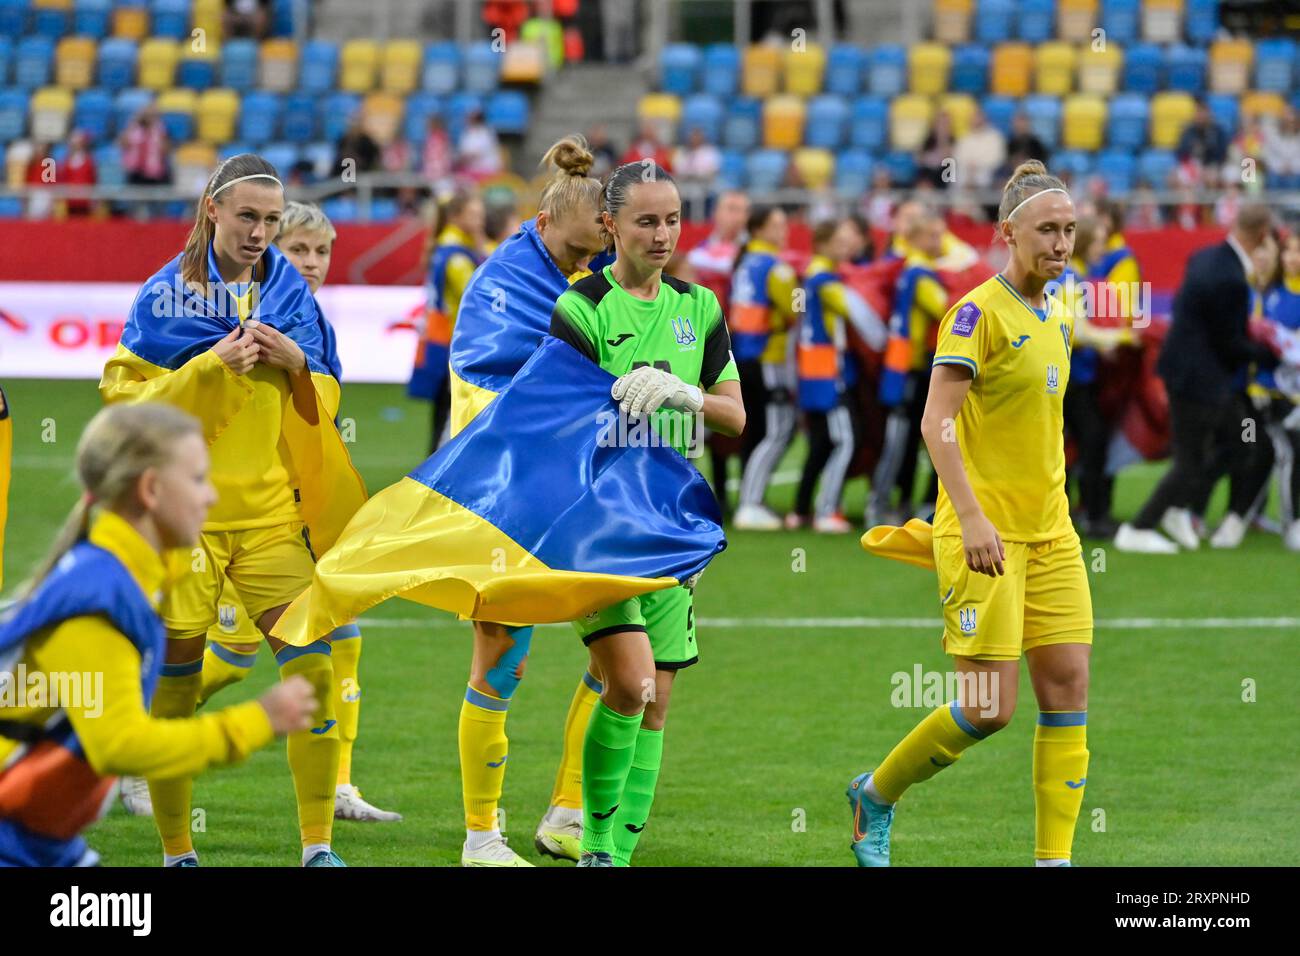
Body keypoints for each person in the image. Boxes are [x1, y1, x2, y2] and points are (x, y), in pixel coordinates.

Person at [99, 154, 366, 866]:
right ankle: (178, 853)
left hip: (272, 518)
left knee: (313, 668)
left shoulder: (290, 295)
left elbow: (330, 391)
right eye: (247, 216)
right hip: (186, 523)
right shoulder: (166, 297)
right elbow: (124, 409)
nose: (260, 233)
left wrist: (298, 365)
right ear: (212, 210)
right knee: (178, 691)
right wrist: (210, 368)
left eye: (272, 220)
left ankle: (317, 849)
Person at [853, 160, 1093, 867]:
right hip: (983, 533)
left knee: (1069, 690)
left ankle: (1055, 862)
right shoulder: (973, 314)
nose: (1060, 243)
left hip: (1053, 533)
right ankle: (875, 795)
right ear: (1006, 233)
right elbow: (937, 423)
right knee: (990, 708)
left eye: (1069, 229)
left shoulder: (1063, 306)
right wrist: (973, 517)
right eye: (1046, 230)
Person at [153, 202, 399, 824]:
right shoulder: (229, 318)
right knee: (230, 659)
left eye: (321, 252)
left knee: (340, 636)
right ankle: (137, 744)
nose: (310, 264)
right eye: (298, 251)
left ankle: (336, 786)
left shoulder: (311, 324)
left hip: (294, 515)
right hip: (241, 518)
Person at [0, 403, 317, 867]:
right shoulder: (98, 598)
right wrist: (257, 722)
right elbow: (120, 745)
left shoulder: (122, 577)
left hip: (39, 845)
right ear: (150, 489)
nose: (210, 497)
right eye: (196, 480)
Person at [548, 159, 745, 865]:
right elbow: (553, 422)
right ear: (611, 226)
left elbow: (734, 416)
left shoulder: (701, 307)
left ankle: (618, 856)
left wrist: (684, 395)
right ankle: (596, 846)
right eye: (645, 221)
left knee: (656, 702)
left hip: (672, 523)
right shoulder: (581, 309)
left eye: (671, 219)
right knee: (627, 685)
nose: (662, 234)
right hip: (600, 525)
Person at [447, 134, 609, 866]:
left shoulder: (596, 280)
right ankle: (481, 835)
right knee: (501, 664)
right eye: (579, 252)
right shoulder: (504, 285)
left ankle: (569, 813)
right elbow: (494, 385)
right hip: (506, 498)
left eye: (594, 253)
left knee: (618, 661)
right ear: (545, 226)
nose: (588, 265)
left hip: (587, 500)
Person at [1115, 205, 1280, 553]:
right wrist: (1270, 351)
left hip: (1189, 375)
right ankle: (1140, 527)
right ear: (1263, 235)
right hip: (1200, 381)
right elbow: (1229, 342)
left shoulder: (1206, 257)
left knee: (1229, 446)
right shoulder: (1232, 278)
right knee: (1204, 456)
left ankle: (1175, 510)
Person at [791, 219, 886, 531]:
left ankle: (800, 510)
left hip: (812, 370)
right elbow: (861, 318)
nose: (847, 247)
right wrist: (883, 343)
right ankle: (827, 510)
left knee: (820, 443)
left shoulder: (812, 274)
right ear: (824, 244)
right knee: (846, 439)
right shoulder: (825, 279)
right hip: (829, 373)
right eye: (840, 241)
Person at [867, 207, 949, 528]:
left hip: (906, 365)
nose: (938, 241)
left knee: (910, 439)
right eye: (932, 235)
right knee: (903, 439)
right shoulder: (920, 273)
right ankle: (882, 504)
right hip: (909, 368)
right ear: (914, 239)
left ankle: (901, 503)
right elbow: (947, 308)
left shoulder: (910, 270)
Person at [731, 205, 799, 530]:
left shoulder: (744, 262)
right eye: (777, 223)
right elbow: (796, 309)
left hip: (744, 357)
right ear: (759, 229)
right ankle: (751, 503)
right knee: (779, 430)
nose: (783, 230)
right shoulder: (777, 268)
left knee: (755, 431)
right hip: (769, 357)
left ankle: (749, 500)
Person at [410, 190, 485, 453]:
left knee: (444, 412)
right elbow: (478, 296)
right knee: (449, 413)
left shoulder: (444, 246)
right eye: (474, 215)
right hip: (455, 342)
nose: (480, 221)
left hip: (440, 339)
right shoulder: (456, 256)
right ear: (456, 216)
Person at [456, 109, 503, 181]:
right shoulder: (467, 133)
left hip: (486, 169)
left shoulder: (486, 133)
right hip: (471, 169)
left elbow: (476, 154)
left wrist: (460, 160)